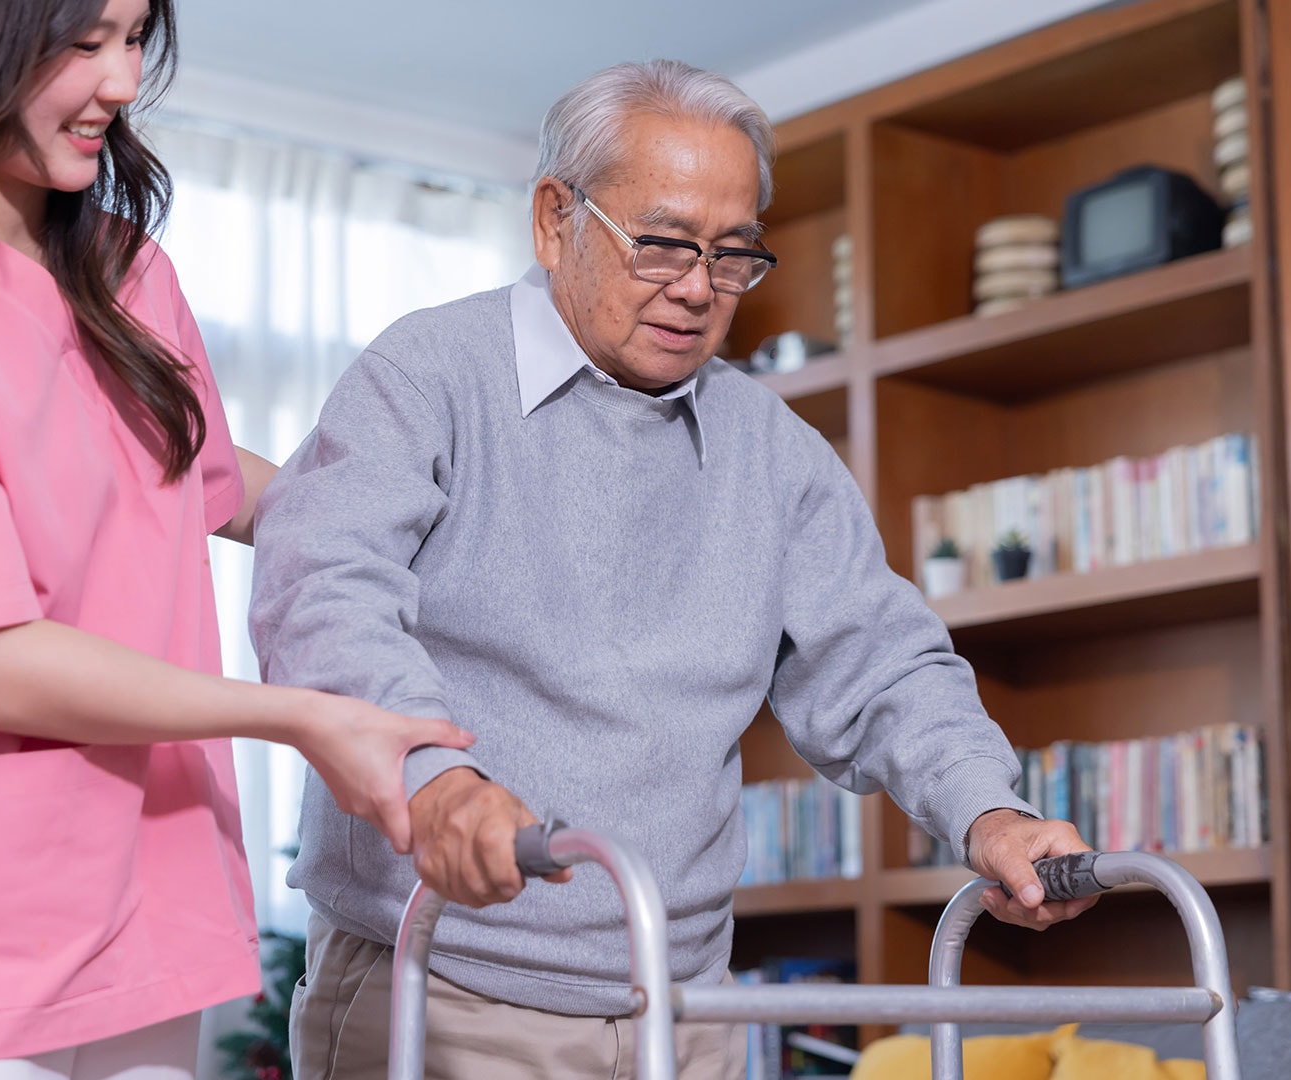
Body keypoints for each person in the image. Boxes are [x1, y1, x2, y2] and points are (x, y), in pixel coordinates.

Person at [249, 59, 1098, 1079]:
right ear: (555, 219)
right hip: (444, 983)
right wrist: (434, 787)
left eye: (732, 254)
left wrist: (986, 810)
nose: (698, 288)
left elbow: (881, 663)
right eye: (661, 244)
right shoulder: (426, 374)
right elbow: (322, 595)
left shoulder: (770, 447)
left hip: (682, 1004)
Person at [0, 0, 474, 1075]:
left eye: (136, 36)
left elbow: (229, 491)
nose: (121, 81)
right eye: (83, 40)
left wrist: (459, 531)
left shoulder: (128, 274)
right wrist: (299, 717)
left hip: (151, 893)